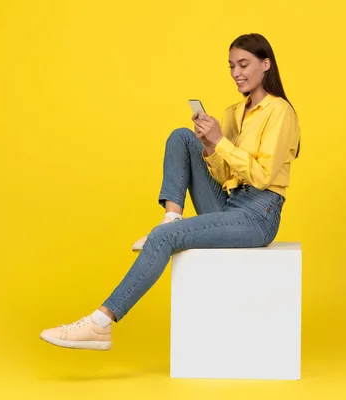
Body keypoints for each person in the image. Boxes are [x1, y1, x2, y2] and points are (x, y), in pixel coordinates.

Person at [39, 33, 301, 350]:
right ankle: (171, 218)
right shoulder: (234, 112)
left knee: (163, 240)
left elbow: (260, 176)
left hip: (259, 214)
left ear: (266, 64)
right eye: (231, 66)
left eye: (244, 64)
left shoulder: (280, 112)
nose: (236, 73)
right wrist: (208, 148)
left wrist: (220, 142)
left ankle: (100, 324)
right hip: (232, 204)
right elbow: (226, 174)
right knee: (182, 137)